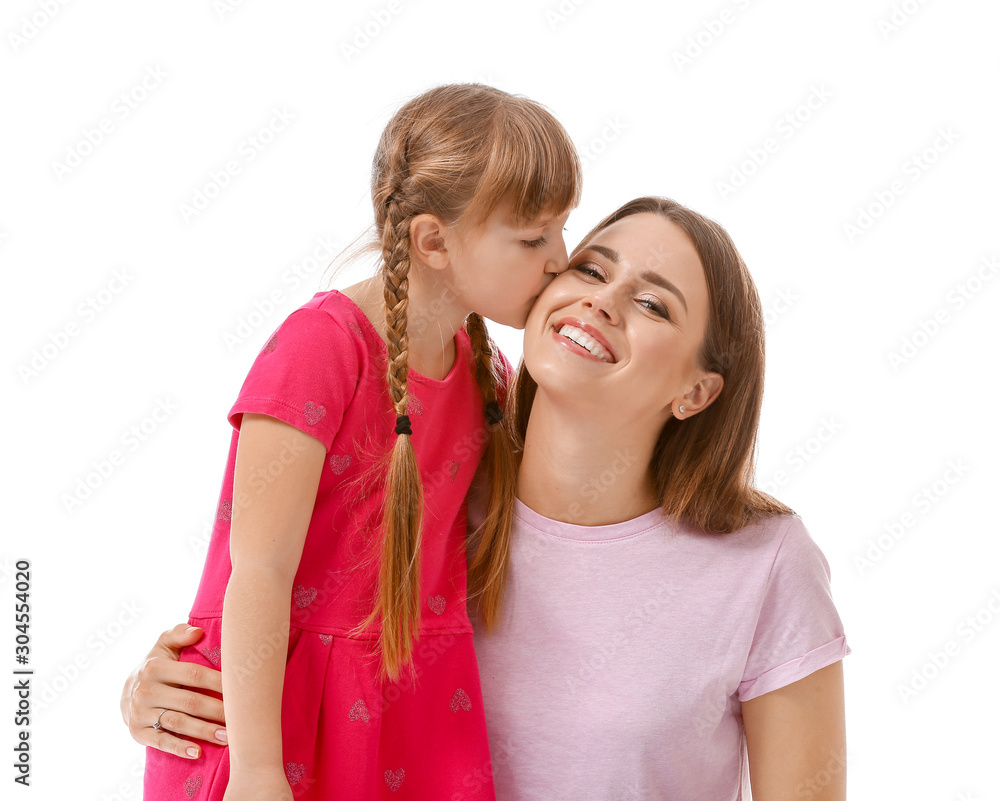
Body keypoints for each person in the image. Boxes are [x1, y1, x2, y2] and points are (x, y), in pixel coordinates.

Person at [125, 197, 849, 800]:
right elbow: (283, 609)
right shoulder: (430, 492)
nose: (601, 298)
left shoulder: (763, 564)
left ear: (697, 392)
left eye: (653, 303)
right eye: (591, 267)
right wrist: (168, 696)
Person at [139, 82, 581, 801]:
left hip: (416, 707)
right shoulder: (323, 347)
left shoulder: (488, 376)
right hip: (275, 718)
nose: (560, 257)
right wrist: (256, 770)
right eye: (533, 237)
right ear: (432, 241)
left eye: (563, 227)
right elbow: (259, 570)